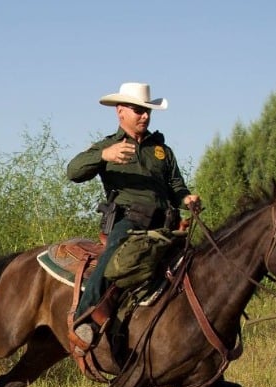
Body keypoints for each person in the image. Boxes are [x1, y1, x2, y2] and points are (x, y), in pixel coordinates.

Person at [66, 83, 200, 351]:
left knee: (200, 264)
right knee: (112, 254)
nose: (145, 116)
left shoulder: (162, 150)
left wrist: (186, 198)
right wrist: (104, 156)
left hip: (167, 224)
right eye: (138, 110)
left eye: (148, 111)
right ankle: (84, 319)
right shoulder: (107, 146)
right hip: (130, 221)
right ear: (120, 112)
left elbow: (176, 186)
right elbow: (73, 171)